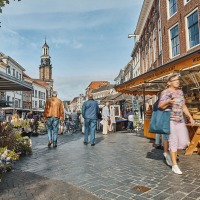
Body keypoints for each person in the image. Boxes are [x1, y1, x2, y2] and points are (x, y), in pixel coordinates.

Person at [158, 73, 195, 175]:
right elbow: (160, 106)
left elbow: (183, 106)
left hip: (180, 120)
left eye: (178, 80)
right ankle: (174, 165)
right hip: (170, 120)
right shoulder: (165, 92)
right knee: (173, 141)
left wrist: (190, 117)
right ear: (169, 82)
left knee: (183, 142)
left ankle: (171, 155)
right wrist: (168, 102)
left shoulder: (180, 92)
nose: (177, 81)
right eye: (175, 80)